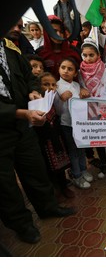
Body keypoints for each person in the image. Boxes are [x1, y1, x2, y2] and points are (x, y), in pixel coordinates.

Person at [0, 36, 75, 244]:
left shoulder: (9, 47)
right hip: (4, 126)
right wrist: (22, 113)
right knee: (6, 183)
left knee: (34, 167)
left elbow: (29, 76)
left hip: (23, 125)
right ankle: (22, 225)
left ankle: (47, 207)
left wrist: (33, 91)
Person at [79, 37, 106, 179]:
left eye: (91, 55)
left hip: (105, 109)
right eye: (85, 55)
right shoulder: (80, 73)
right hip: (90, 110)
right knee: (98, 138)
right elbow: (80, 89)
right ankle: (102, 163)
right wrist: (82, 90)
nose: (88, 58)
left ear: (98, 55)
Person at [54, 57, 93, 189]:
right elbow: (57, 111)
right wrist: (61, 99)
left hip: (80, 125)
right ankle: (76, 175)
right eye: (63, 68)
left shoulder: (77, 85)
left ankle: (83, 170)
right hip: (67, 125)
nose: (65, 71)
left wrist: (83, 90)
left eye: (70, 69)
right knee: (73, 151)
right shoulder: (57, 86)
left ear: (75, 73)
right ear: (58, 69)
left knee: (81, 149)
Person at [35, 72, 74, 198]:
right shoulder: (35, 102)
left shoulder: (54, 99)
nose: (50, 87)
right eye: (46, 84)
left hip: (57, 137)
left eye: (53, 85)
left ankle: (63, 186)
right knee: (47, 165)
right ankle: (55, 188)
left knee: (60, 163)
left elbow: (59, 112)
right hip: (44, 140)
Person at [36, 15, 81, 81]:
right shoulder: (40, 53)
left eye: (61, 32)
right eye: (54, 31)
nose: (59, 35)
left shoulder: (74, 51)